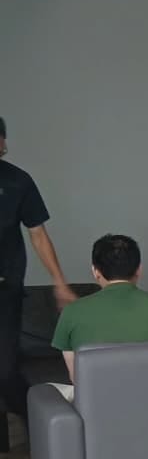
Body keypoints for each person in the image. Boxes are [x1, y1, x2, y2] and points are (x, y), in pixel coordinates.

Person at [0, 116, 74, 429]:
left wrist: (60, 282)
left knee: (5, 370)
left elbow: (38, 235)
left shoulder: (18, 181)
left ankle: (41, 427)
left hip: (5, 289)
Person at [51, 234, 148, 384]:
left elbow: (76, 378)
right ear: (139, 270)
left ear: (95, 271)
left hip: (97, 398)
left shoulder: (71, 312)